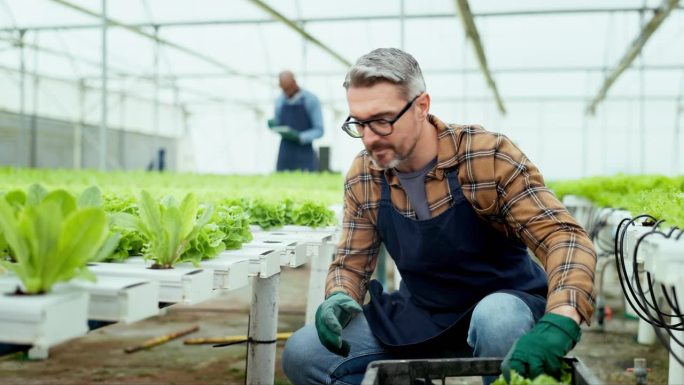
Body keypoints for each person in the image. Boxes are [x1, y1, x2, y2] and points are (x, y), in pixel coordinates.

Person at [281, 48, 597, 385]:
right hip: (423, 312)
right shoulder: (364, 174)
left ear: (421, 106)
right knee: (304, 353)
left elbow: (562, 237)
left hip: (507, 306)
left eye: (383, 120)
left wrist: (563, 316)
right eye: (359, 123)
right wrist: (340, 295)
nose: (370, 138)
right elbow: (351, 262)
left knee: (498, 318)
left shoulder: (485, 155)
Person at [269, 70, 324, 171]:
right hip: (284, 152)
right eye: (283, 89)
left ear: (294, 83)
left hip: (305, 152)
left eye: (288, 88)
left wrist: (300, 137)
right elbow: (278, 122)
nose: (286, 92)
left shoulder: (310, 100)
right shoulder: (280, 101)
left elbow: (319, 130)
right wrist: (274, 125)